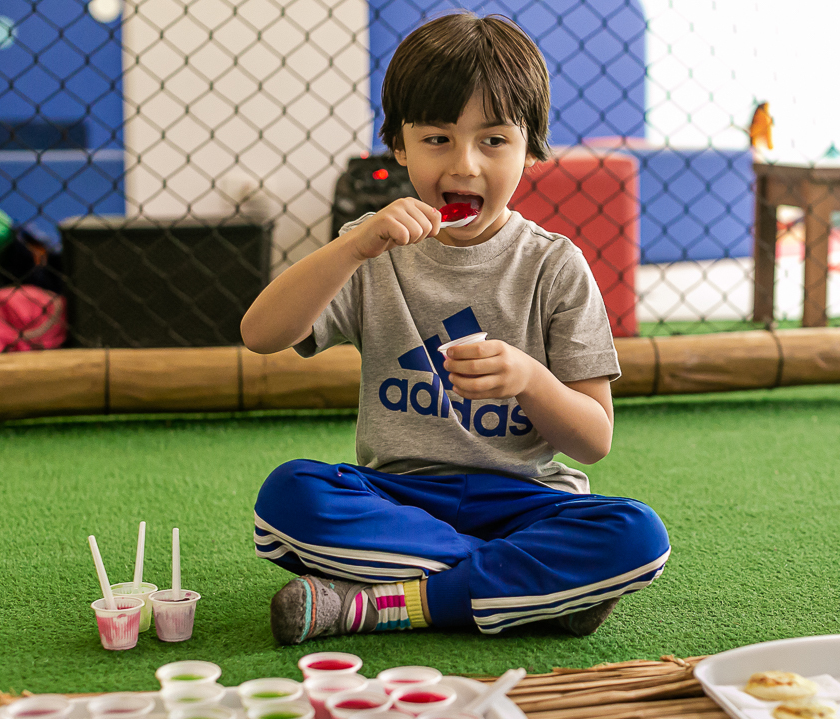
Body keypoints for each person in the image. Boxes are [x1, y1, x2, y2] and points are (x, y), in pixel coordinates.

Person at [240, 12, 669, 645]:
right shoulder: (370, 251)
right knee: (289, 495)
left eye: (494, 140)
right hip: (400, 501)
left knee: (636, 534)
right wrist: (352, 248)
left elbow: (593, 441)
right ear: (399, 146)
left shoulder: (555, 264)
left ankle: (381, 604)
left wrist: (528, 377)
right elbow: (260, 333)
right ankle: (526, 588)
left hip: (527, 504)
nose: (464, 164)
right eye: (437, 138)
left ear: (530, 148)